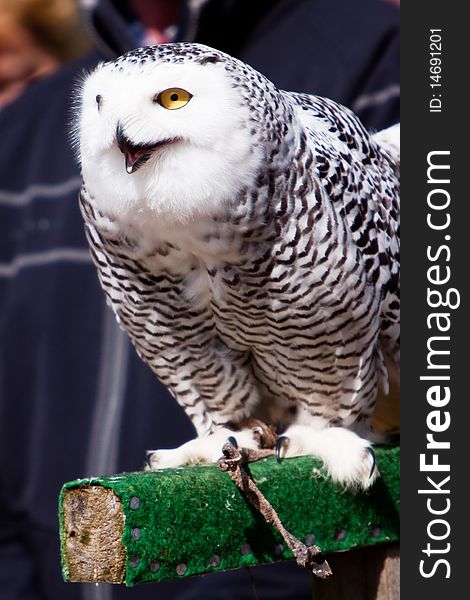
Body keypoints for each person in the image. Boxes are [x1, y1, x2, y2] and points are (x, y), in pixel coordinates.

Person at [0, 1, 399, 598]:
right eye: (103, 108)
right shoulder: (33, 133)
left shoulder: (376, 56)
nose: (122, 132)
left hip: (305, 567)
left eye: (172, 101)